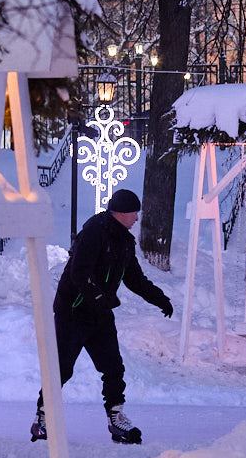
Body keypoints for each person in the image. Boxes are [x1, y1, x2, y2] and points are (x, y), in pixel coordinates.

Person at [31, 188, 173, 444]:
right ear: (121, 213)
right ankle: (43, 418)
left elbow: (135, 279)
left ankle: (116, 418)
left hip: (100, 314)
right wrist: (97, 297)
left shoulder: (126, 242)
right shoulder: (94, 233)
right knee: (61, 369)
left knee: (113, 368)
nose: (137, 219)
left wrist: (159, 298)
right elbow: (79, 272)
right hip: (72, 312)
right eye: (134, 213)